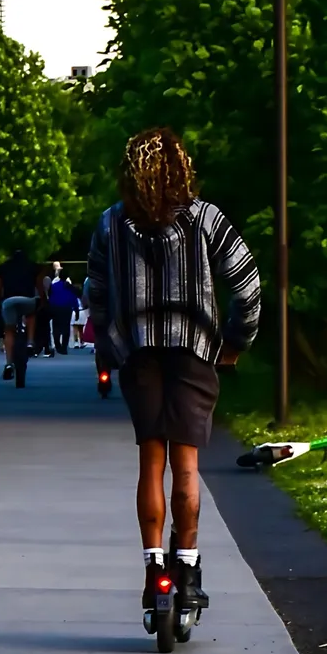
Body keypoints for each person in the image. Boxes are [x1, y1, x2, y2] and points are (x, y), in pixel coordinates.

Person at [87, 126, 262, 615]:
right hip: (194, 352)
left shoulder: (111, 224)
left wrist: (109, 344)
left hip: (139, 353)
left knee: (151, 461)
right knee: (187, 465)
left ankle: (152, 570)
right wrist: (235, 341)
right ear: (181, 168)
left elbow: (95, 293)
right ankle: (186, 570)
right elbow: (246, 286)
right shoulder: (206, 219)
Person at [0, 248, 40, 379]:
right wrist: (43, 301)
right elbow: (39, 287)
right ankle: (30, 342)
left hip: (9, 301)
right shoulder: (33, 267)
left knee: (9, 330)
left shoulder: (3, 268)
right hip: (28, 300)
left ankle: (9, 363)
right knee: (31, 314)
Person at [48, 270, 81, 355]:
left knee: (56, 327)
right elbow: (74, 298)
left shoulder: (53, 286)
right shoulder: (70, 287)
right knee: (66, 327)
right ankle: (64, 347)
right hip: (66, 308)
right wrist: (76, 309)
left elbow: (50, 297)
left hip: (55, 307)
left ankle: (58, 345)